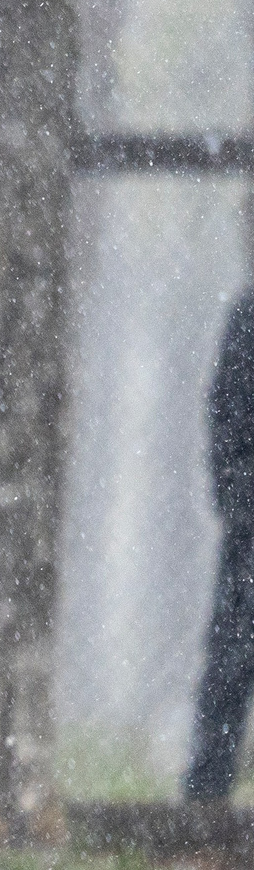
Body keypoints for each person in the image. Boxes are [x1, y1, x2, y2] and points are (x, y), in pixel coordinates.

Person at [185, 288, 254, 801]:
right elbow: (225, 418)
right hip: (249, 535)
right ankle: (206, 800)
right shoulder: (247, 316)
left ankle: (205, 800)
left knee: (229, 661)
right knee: (230, 661)